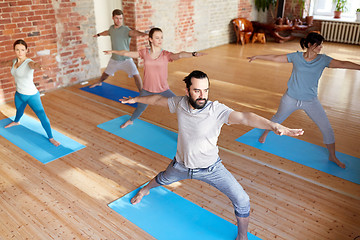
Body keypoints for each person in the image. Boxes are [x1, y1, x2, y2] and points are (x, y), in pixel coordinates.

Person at [120, 70, 304, 240]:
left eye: (206, 91)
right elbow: (157, 100)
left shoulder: (217, 110)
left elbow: (245, 117)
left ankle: (242, 236)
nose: (202, 96)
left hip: (211, 169)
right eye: (197, 91)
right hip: (181, 165)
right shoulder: (180, 103)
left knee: (242, 200)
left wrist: (274, 125)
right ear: (187, 90)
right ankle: (144, 190)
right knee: (162, 178)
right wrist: (135, 99)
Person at [248, 32, 360, 168]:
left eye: (321, 45)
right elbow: (276, 58)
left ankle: (332, 156)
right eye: (318, 45)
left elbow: (342, 63)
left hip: (310, 101)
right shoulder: (296, 57)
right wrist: (257, 56)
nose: (320, 48)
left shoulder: (323, 60)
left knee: (327, 128)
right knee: (277, 118)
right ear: (309, 45)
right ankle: (265, 134)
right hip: (290, 98)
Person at [105, 27, 206, 128]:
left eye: (161, 37)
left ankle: (194, 124)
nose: (160, 40)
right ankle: (131, 120)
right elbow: (126, 53)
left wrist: (193, 54)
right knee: (140, 108)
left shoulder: (165, 54)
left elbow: (179, 55)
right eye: (157, 38)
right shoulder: (144, 52)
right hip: (147, 90)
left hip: (163, 89)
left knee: (180, 105)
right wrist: (113, 51)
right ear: (150, 39)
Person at [0, 39, 60, 147]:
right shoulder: (14, 62)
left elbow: (34, 65)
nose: (20, 52)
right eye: (17, 50)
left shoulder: (29, 63)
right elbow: (3, 63)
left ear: (26, 50)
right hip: (19, 94)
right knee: (19, 110)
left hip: (32, 95)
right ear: (14, 50)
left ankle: (51, 137)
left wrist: (40, 67)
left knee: (42, 116)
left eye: (22, 50)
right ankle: (16, 121)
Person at [90, 9, 147, 91]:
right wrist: (99, 34)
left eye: (120, 18)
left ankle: (142, 92)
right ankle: (99, 82)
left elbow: (134, 32)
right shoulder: (112, 28)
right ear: (112, 18)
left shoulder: (126, 29)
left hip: (126, 59)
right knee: (105, 74)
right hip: (114, 59)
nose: (119, 20)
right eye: (117, 18)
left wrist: (144, 34)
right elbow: (107, 32)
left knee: (136, 75)